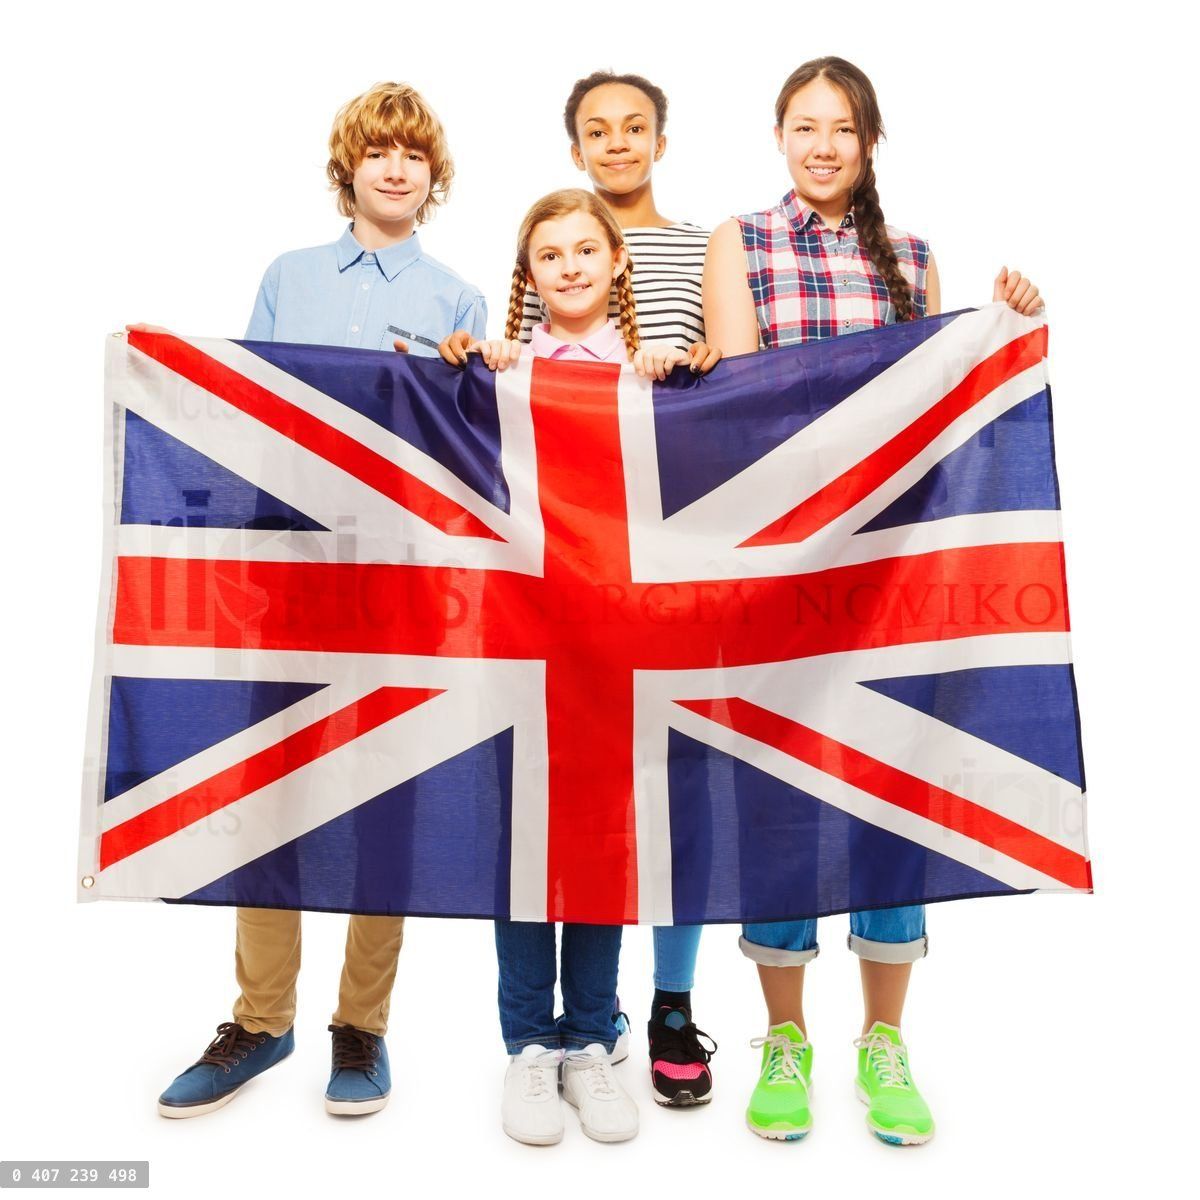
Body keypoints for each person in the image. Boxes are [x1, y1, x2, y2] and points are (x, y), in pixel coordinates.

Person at [702, 55, 1043, 1146]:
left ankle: (883, 1041)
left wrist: (997, 327)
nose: (822, 145)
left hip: (886, 572)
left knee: (892, 787)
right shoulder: (739, 244)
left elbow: (928, 415)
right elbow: (739, 408)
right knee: (782, 791)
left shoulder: (914, 259)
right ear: (779, 136)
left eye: (841, 128)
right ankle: (787, 1037)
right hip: (778, 564)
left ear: (869, 142)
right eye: (804, 126)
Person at [155, 80, 487, 1120]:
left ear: (434, 178)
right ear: (348, 166)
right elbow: (243, 412)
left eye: (415, 156)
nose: (396, 168)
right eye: (378, 152)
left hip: (395, 574)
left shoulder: (458, 302)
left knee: (383, 790)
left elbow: (470, 460)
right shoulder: (287, 277)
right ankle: (261, 1019)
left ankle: (363, 1025)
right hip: (288, 572)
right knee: (274, 791)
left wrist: (455, 386)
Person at [439, 73, 722, 1107]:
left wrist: (675, 378)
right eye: (549, 256)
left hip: (618, 638)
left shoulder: (643, 368)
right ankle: (528, 1046)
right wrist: (478, 362)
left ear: (616, 263)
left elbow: (686, 458)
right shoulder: (507, 368)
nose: (569, 266)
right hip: (526, 634)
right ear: (527, 272)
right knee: (522, 838)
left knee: (604, 837)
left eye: (585, 252)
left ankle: (595, 1039)